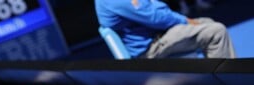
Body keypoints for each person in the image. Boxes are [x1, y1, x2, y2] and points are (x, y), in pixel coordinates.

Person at [94, 0, 236, 59]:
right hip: (151, 49)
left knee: (208, 22)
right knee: (216, 32)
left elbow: (156, 8)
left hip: (159, 35)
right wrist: (186, 20)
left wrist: (185, 21)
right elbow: (155, 17)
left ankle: (217, 79)